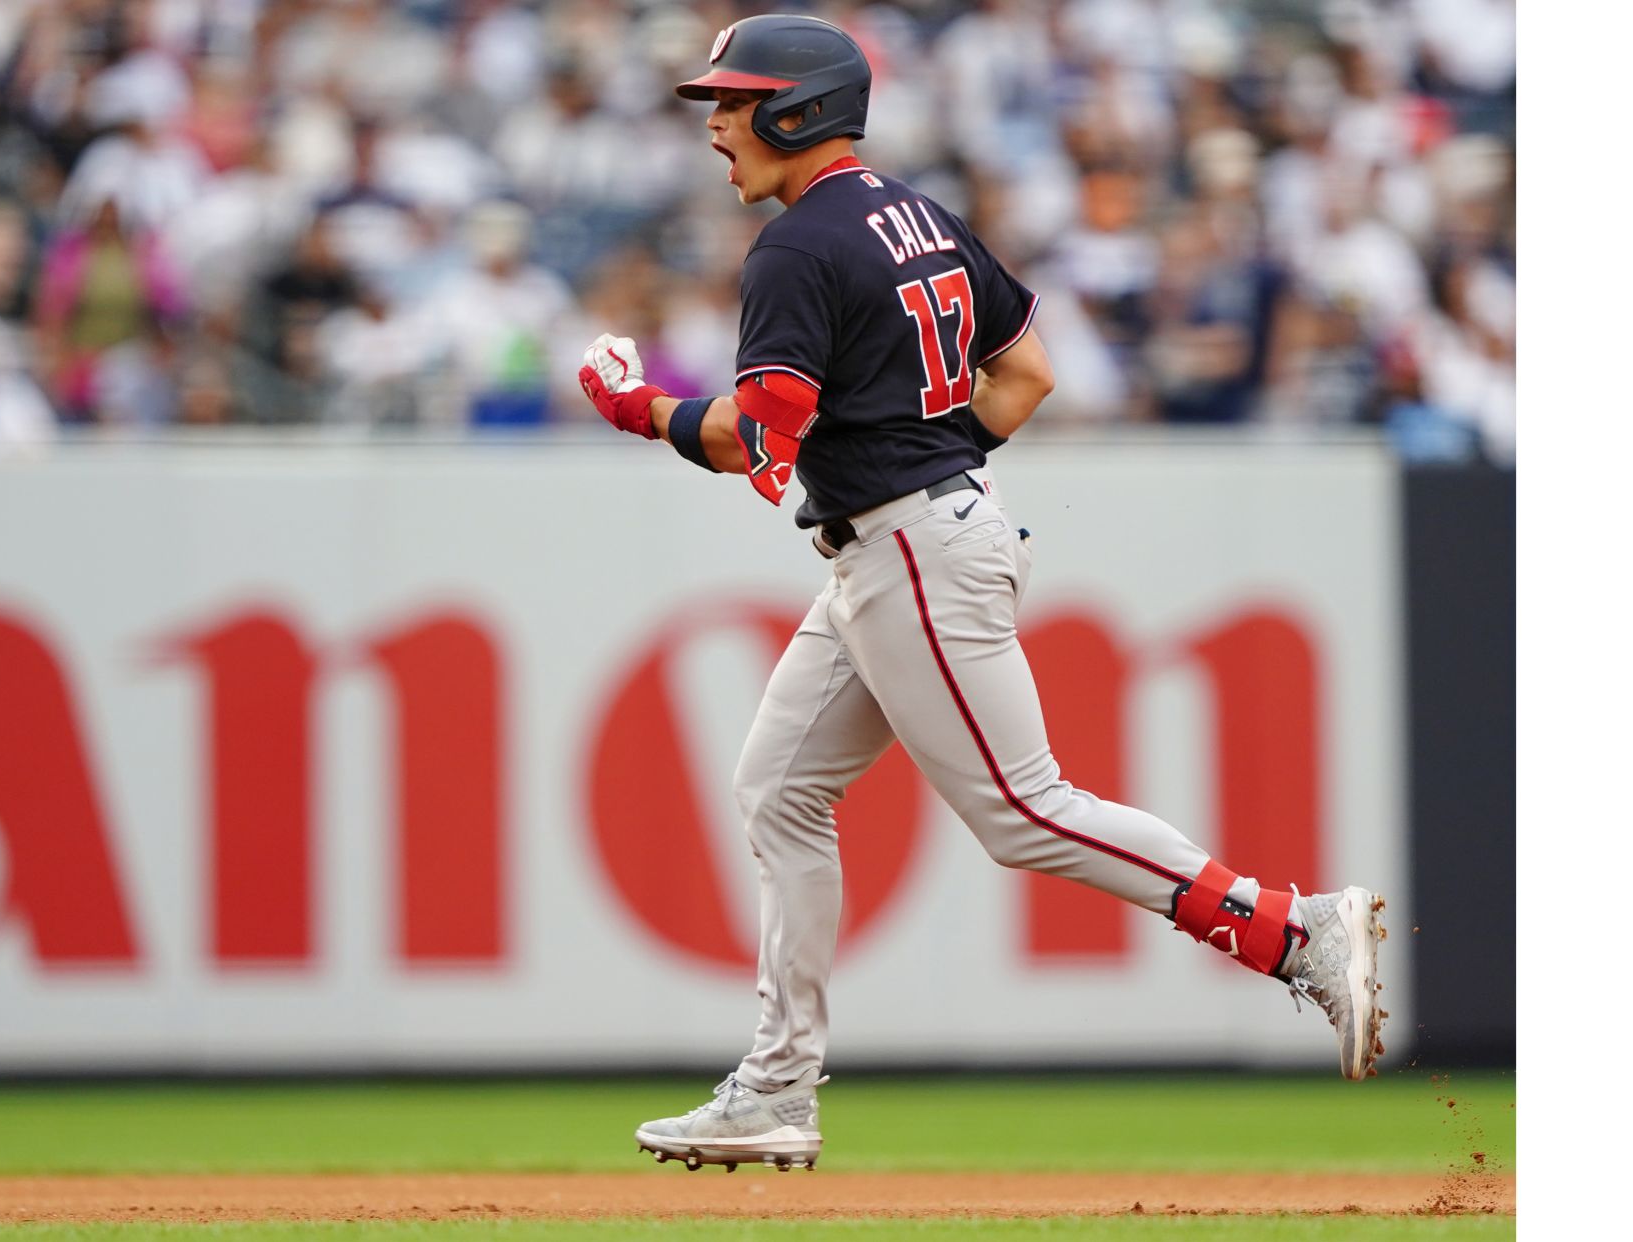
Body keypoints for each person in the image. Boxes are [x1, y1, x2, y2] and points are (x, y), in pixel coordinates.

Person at [573, 14, 1388, 1174]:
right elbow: (1030, 371)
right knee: (779, 791)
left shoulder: (800, 246)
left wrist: (639, 407)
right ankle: (777, 1086)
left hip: (910, 546)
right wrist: (927, 455)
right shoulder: (917, 214)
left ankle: (1296, 933)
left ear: (798, 108)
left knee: (1025, 811)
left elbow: (755, 444)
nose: (714, 123)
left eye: (735, 100)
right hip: (913, 533)